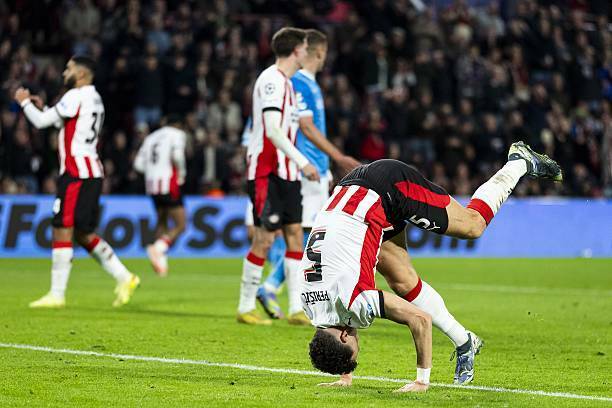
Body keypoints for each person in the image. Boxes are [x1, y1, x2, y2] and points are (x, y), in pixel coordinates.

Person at [303, 142, 562, 391]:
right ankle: (465, 342)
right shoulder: (311, 308)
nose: (357, 346)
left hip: (389, 188)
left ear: (344, 336)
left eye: (353, 354)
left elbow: (419, 319)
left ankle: (519, 162)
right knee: (402, 281)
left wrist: (421, 381)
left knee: (472, 225)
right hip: (352, 196)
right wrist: (344, 373)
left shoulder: (351, 303)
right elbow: (343, 319)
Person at [14, 55, 140, 308]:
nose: (64, 73)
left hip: (76, 173)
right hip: (91, 172)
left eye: (69, 69)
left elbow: (40, 123)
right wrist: (45, 108)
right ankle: (125, 277)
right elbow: (63, 122)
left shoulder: (75, 96)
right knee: (83, 233)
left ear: (81, 74)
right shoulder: (95, 98)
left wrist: (24, 102)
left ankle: (57, 294)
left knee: (62, 227)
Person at [255, 29, 361, 323]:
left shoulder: (308, 83)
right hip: (304, 168)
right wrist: (337, 157)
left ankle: (273, 288)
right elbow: (306, 127)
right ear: (320, 52)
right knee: (310, 235)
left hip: (315, 168)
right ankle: (278, 289)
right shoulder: (299, 82)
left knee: (306, 234)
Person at [238, 27, 320, 325]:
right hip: (266, 172)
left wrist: (296, 165)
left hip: (287, 172)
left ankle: (297, 308)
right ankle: (245, 306)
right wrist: (303, 162)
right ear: (296, 50)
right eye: (305, 48)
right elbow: (272, 131)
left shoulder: (287, 84)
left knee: (295, 234)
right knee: (264, 238)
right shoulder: (271, 80)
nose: (307, 53)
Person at [134, 115, 187, 277]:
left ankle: (161, 263)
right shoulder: (177, 134)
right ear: (178, 124)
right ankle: (158, 248)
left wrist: (153, 171)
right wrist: (182, 174)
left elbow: (138, 165)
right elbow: (177, 156)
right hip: (168, 183)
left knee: (161, 221)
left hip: (152, 185)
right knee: (181, 225)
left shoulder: (150, 138)